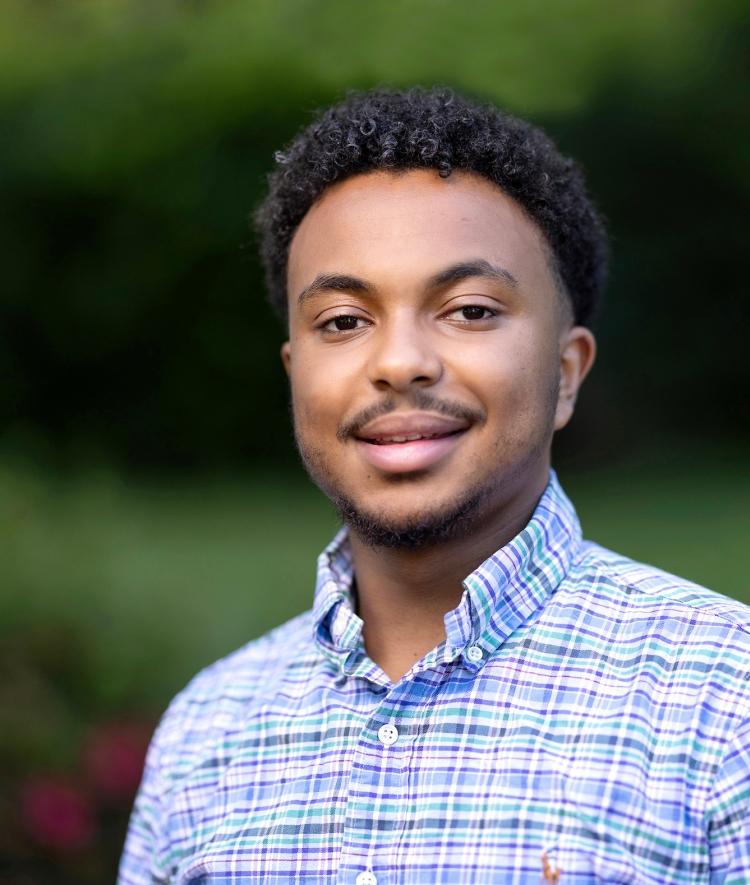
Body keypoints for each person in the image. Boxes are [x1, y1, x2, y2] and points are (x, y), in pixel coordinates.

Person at [119, 87, 750, 884]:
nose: (400, 361)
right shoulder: (206, 733)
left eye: (470, 309)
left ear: (564, 373)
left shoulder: (725, 703)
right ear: (295, 374)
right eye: (344, 320)